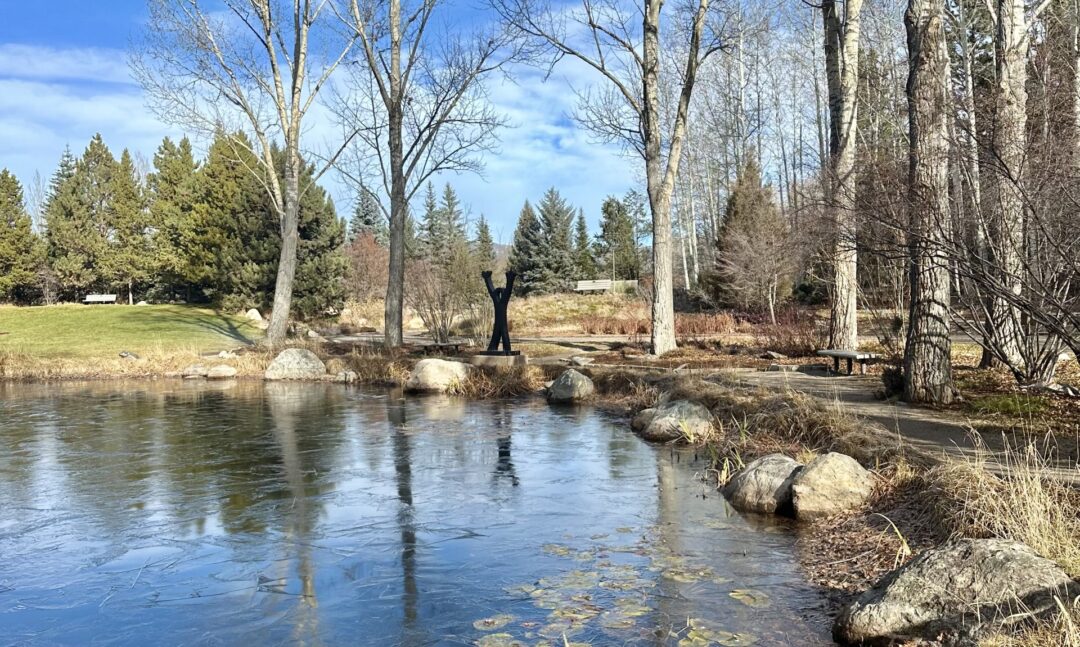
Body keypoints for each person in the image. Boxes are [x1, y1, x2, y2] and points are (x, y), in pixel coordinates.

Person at [482, 270, 516, 354]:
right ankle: (503, 348)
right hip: (500, 320)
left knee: (499, 331)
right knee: (500, 331)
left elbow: (507, 291)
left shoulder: (501, 298)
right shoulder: (497, 298)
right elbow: (506, 291)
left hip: (500, 320)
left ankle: (499, 348)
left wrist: (510, 279)